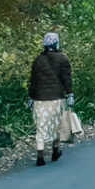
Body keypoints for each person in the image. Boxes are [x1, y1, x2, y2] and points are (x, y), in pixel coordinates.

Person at [28, 31, 73, 167]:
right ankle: (55, 151)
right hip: (56, 98)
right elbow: (66, 79)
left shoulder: (38, 60)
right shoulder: (63, 58)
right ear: (56, 43)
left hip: (39, 99)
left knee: (40, 127)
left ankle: (40, 157)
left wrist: (30, 97)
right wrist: (70, 94)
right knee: (56, 125)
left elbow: (33, 81)